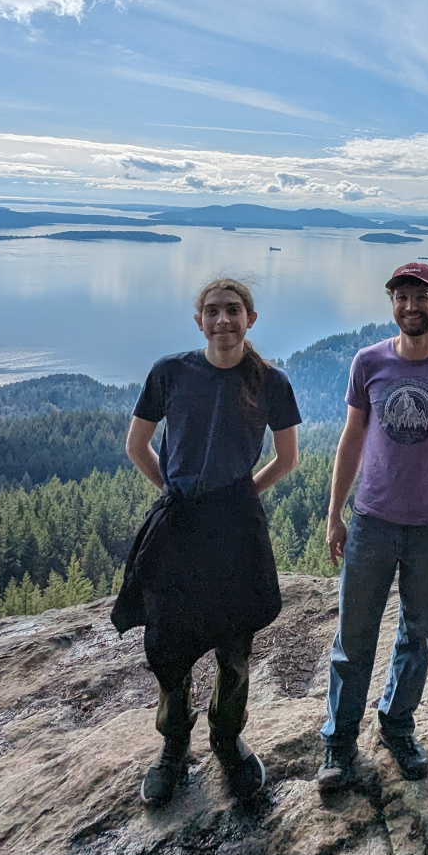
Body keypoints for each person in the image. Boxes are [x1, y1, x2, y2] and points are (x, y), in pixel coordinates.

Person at [111, 278, 303, 808]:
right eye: (213, 311)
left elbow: (287, 460)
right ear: (199, 321)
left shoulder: (271, 382)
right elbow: (138, 445)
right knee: (168, 647)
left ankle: (226, 740)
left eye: (234, 311)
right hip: (180, 528)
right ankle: (173, 747)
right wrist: (174, 492)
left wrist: (241, 494)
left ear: (251, 319)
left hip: (236, 530)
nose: (224, 320)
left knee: (235, 648)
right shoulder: (170, 372)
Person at [316, 262, 428, 793]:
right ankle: (339, 743)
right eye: (402, 297)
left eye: (421, 297)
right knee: (354, 637)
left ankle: (397, 724)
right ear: (392, 303)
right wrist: (335, 513)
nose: (411, 306)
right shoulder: (368, 362)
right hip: (371, 520)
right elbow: (352, 438)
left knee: (419, 634)